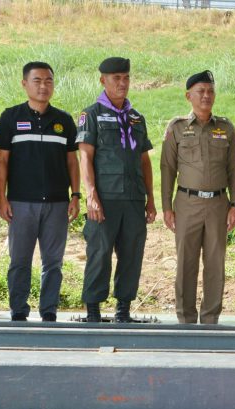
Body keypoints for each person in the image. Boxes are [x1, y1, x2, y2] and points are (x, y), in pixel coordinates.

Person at [0, 61, 80, 323]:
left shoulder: (64, 120)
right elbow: (2, 161)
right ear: (24, 84)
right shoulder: (11, 117)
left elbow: (72, 162)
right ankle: (18, 311)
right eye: (37, 80)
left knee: (53, 262)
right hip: (21, 203)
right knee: (19, 261)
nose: (44, 86)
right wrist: (1, 198)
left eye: (48, 81)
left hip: (57, 203)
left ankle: (49, 311)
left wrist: (76, 195)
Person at [76, 56, 157, 323]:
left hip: (133, 198)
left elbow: (144, 161)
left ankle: (123, 310)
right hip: (105, 198)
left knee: (132, 253)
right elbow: (85, 156)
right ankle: (93, 311)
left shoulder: (136, 118)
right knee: (99, 253)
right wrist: (91, 195)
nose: (122, 83)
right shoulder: (91, 114)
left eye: (126, 78)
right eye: (116, 78)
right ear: (103, 80)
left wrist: (150, 199)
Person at [160, 70, 235, 325]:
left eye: (210, 91)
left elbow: (234, 169)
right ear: (189, 96)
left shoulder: (226, 128)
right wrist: (166, 207)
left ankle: (210, 319)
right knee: (186, 262)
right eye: (201, 91)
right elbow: (167, 169)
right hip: (187, 203)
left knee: (215, 263)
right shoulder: (177, 127)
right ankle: (185, 319)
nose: (206, 96)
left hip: (218, 204)